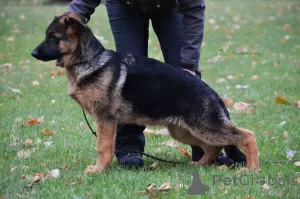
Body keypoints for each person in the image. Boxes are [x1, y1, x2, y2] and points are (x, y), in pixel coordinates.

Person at [67, 0, 244, 167]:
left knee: (185, 78)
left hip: (171, 7)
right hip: (125, 6)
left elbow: (194, 8)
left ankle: (206, 145)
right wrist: (74, 15)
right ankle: (129, 148)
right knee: (128, 79)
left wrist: (189, 65)